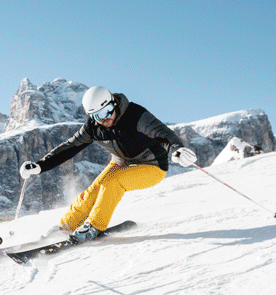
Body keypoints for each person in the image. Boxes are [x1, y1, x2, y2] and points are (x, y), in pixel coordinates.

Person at [19, 86, 197, 243]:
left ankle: (94, 227)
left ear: (114, 103)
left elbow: (160, 131)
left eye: (107, 111)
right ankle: (65, 227)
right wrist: (40, 165)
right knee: (93, 192)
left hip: (152, 166)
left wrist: (176, 149)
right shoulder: (93, 127)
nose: (105, 119)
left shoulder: (135, 115)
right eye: (98, 116)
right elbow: (70, 147)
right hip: (120, 163)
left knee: (113, 183)